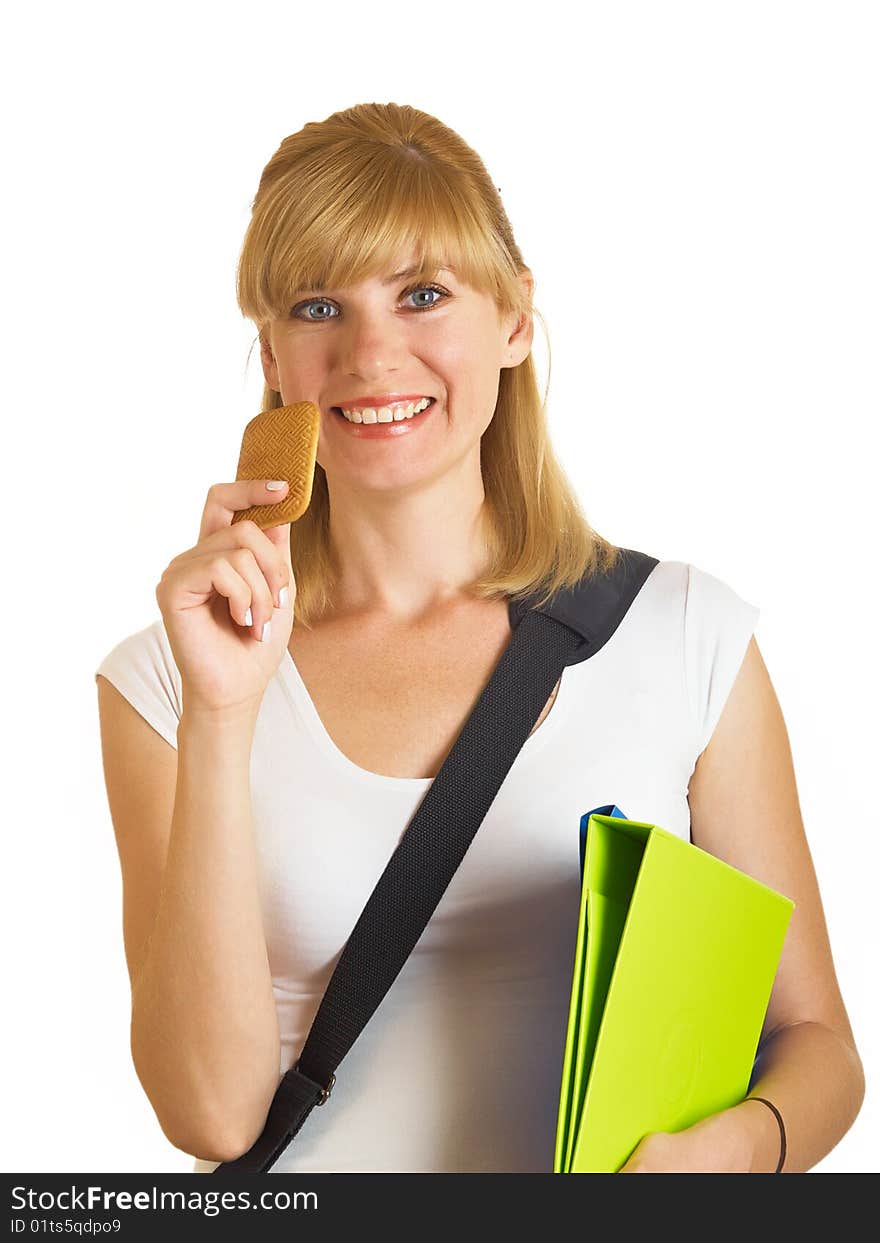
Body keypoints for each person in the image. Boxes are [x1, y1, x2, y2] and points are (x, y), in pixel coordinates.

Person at [95, 102, 864, 1174]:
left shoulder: (682, 635)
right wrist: (225, 712)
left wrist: (739, 1148)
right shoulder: (166, 680)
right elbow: (212, 1120)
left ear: (513, 320)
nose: (371, 353)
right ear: (273, 355)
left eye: (422, 294)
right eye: (321, 305)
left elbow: (818, 1045)